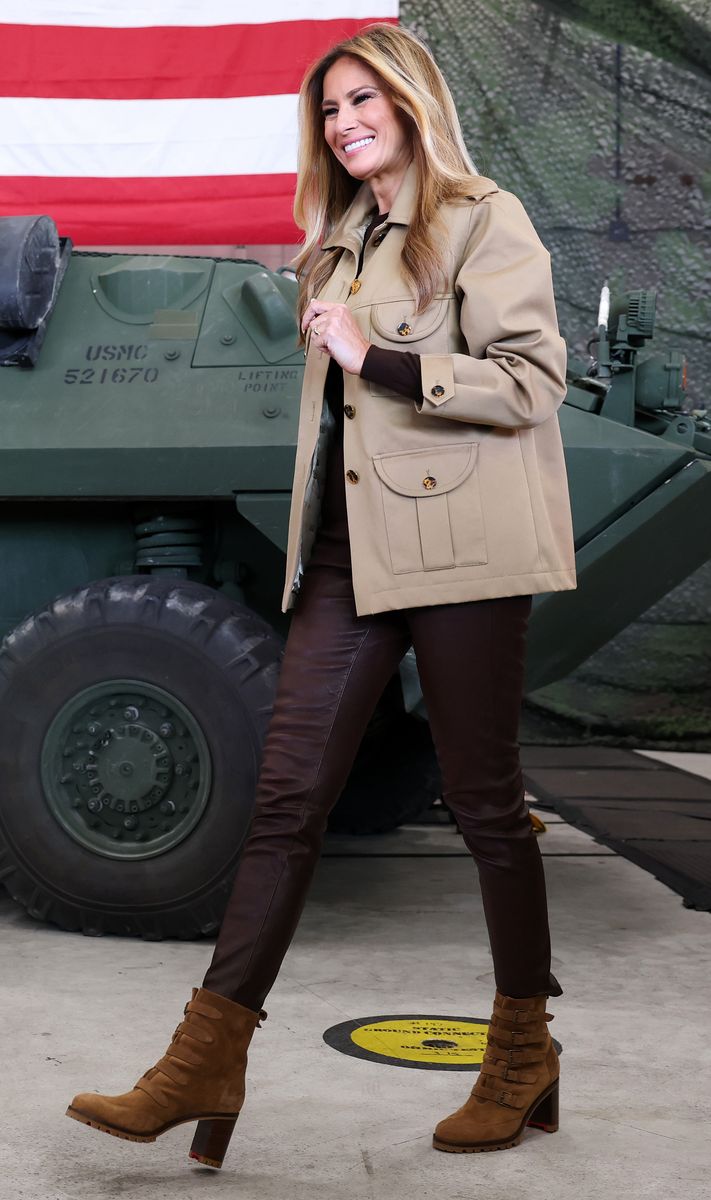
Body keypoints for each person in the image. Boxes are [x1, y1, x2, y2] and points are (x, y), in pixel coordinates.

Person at [65, 22, 576, 1166]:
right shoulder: (338, 247)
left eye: (360, 102)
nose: (345, 124)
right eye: (329, 110)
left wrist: (376, 358)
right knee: (286, 798)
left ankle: (522, 1051)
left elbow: (533, 381)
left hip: (463, 550)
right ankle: (206, 1059)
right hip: (350, 558)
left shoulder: (482, 218)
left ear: (407, 100)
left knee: (486, 806)